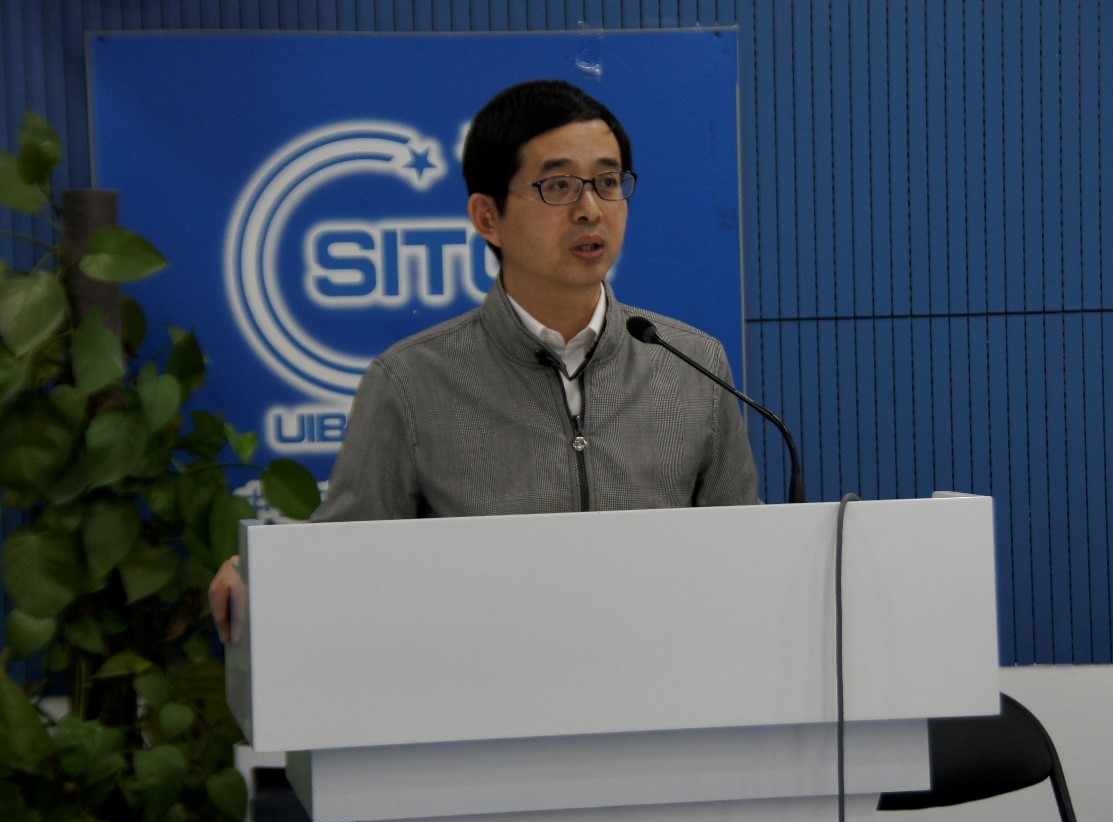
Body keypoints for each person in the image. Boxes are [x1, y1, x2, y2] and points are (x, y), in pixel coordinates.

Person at [210, 79, 760, 642]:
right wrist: (265, 578)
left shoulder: (690, 363)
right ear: (487, 217)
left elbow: (747, 555)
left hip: (662, 676)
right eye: (558, 185)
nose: (590, 209)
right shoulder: (410, 382)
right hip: (483, 681)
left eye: (607, 181)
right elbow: (342, 558)